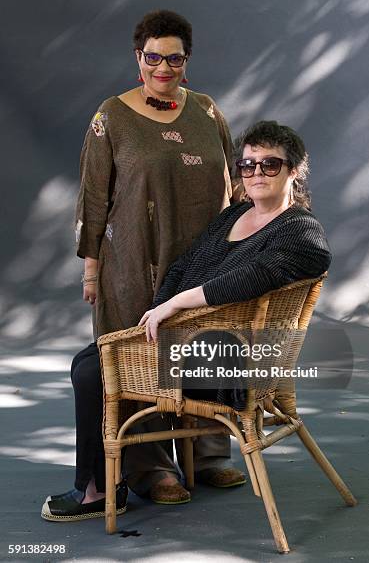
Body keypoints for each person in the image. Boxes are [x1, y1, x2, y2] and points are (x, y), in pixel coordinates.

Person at [41, 119, 331, 522]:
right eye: (247, 165)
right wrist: (160, 314)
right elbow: (182, 267)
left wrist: (176, 304)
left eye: (270, 165)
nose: (256, 174)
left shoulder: (300, 229)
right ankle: (114, 480)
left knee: (92, 370)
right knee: (87, 362)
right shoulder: (232, 218)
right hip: (189, 343)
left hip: (232, 363)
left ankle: (96, 490)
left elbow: (252, 277)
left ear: (293, 170)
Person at [42, 9, 241, 523]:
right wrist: (91, 270)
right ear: (139, 58)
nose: (163, 66)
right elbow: (93, 198)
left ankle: (208, 452)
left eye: (174, 58)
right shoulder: (111, 115)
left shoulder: (207, 111)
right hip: (133, 262)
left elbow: (236, 187)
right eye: (153, 57)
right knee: (138, 360)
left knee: (205, 346)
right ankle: (153, 469)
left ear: (186, 61)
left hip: (202, 259)